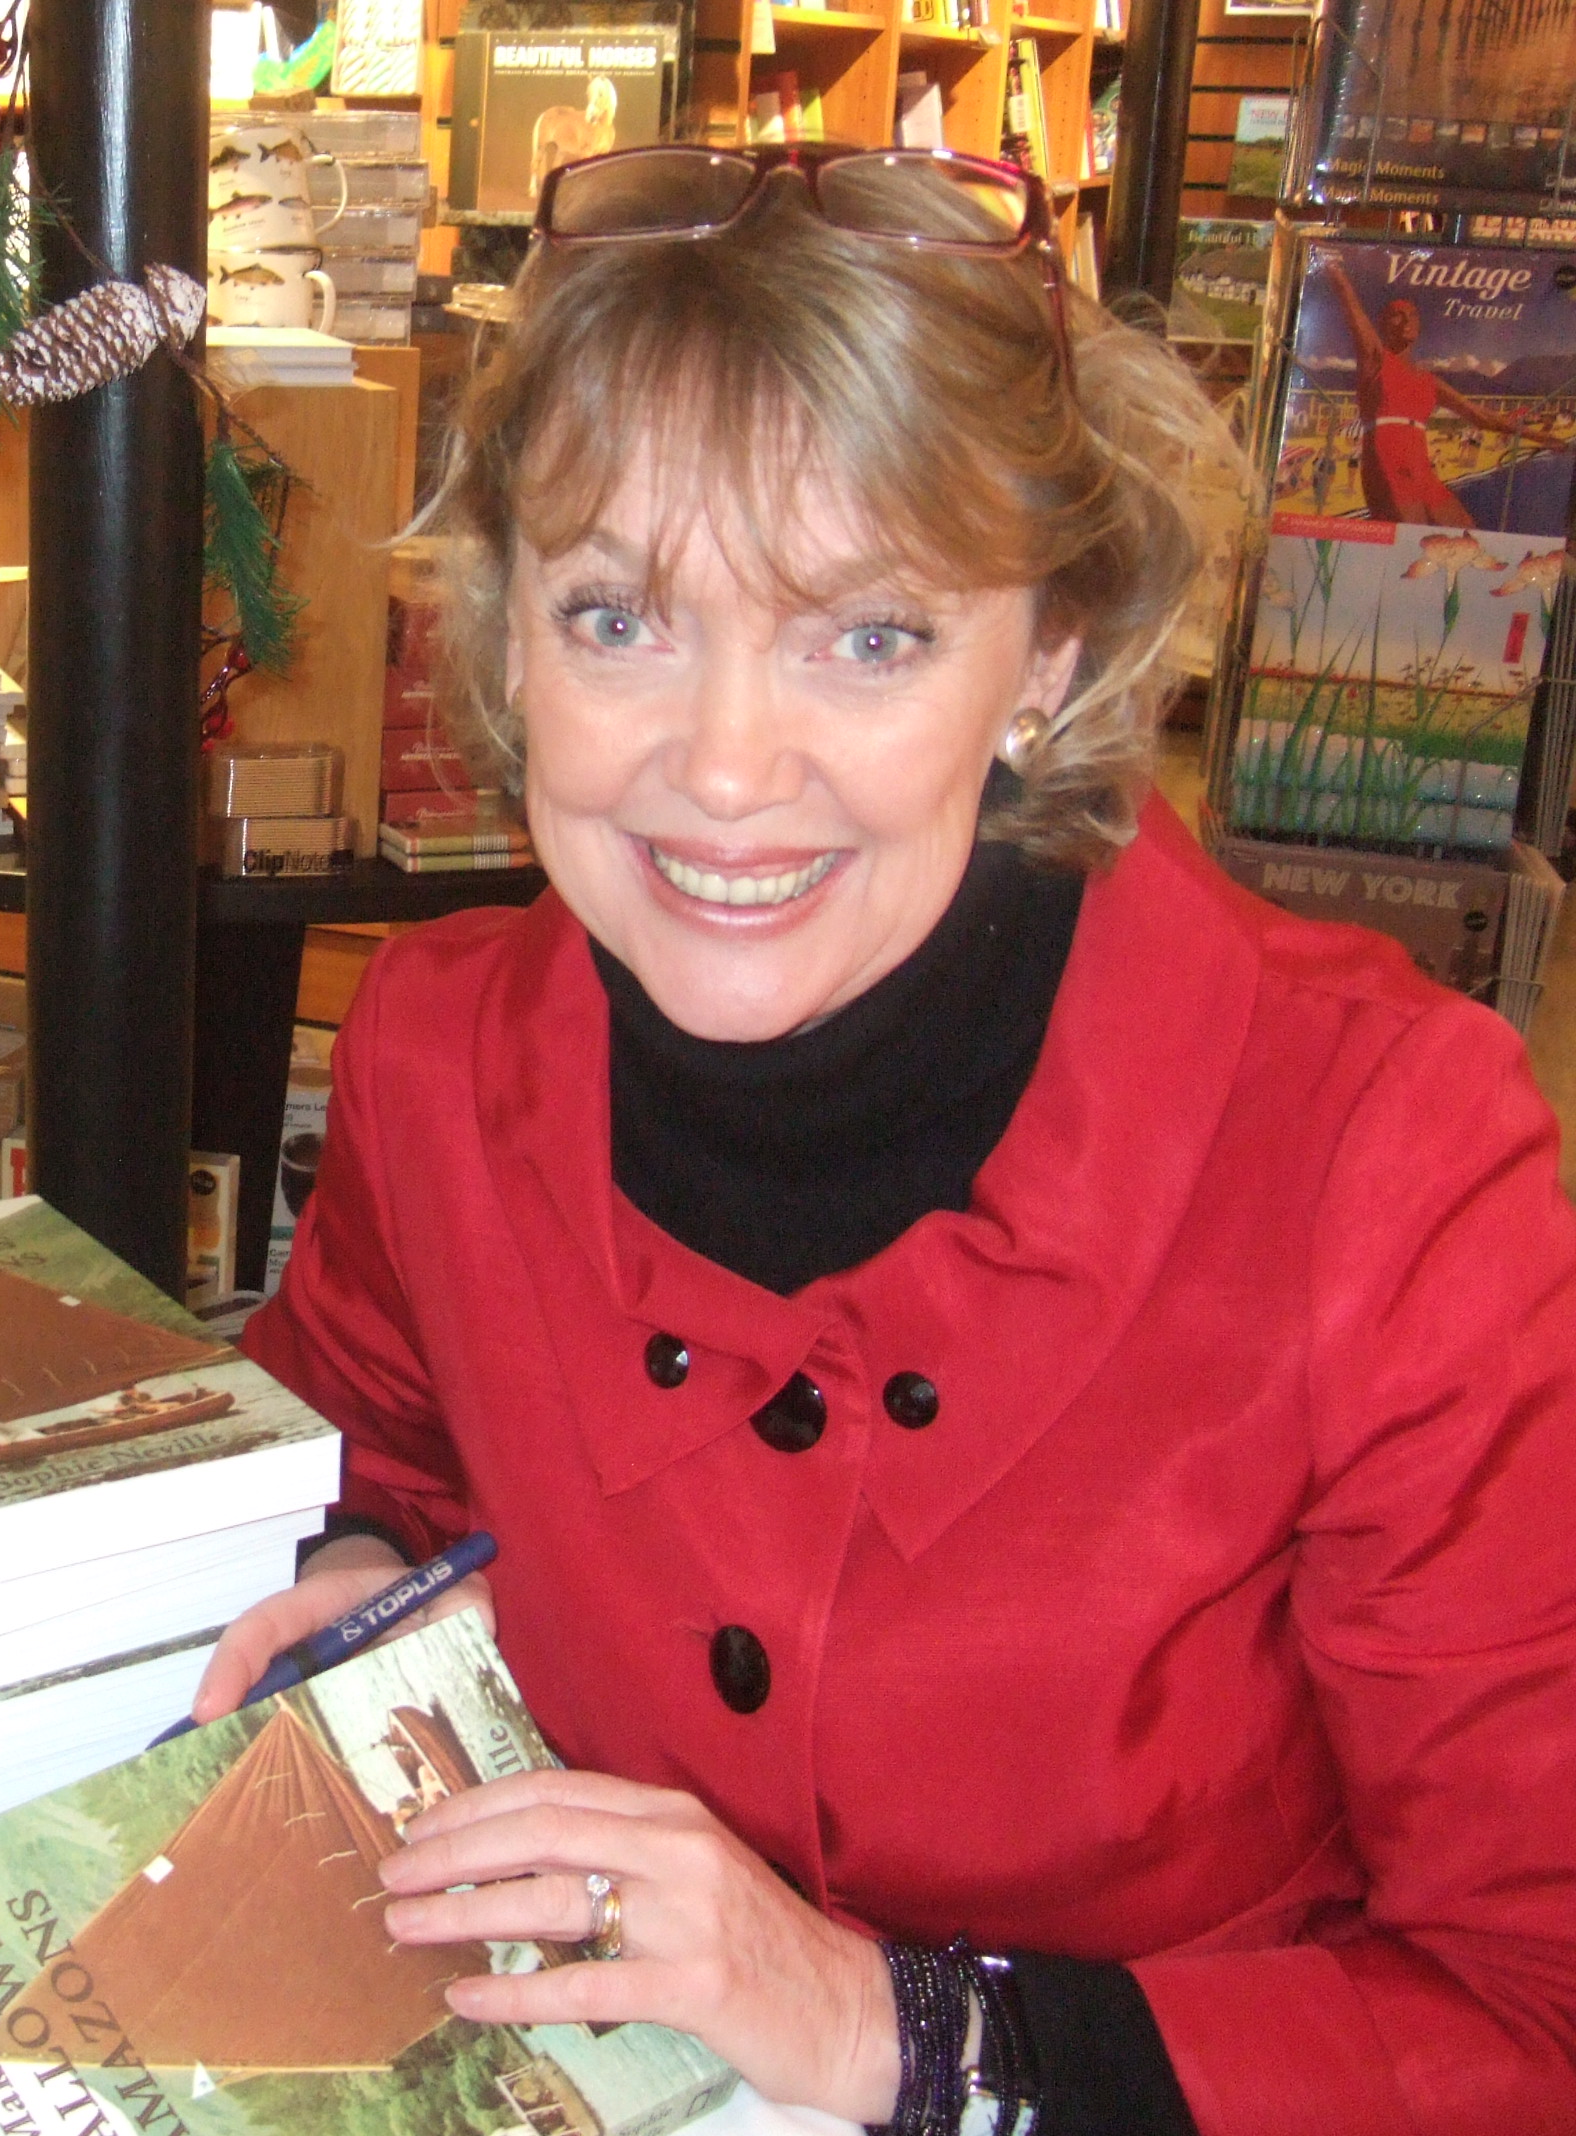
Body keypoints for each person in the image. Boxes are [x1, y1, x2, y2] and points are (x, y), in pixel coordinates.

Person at [197, 142, 1576, 2135]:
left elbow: (1528, 2010)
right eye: (618, 620)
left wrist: (890, 2027)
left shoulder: (1378, 1161)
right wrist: (353, 1580)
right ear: (504, 647)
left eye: (868, 636)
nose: (725, 767)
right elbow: (370, 1453)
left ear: (1054, 657)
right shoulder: (430, 1054)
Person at [1318, 252, 1566, 528]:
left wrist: (1541, 437)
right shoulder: (1376, 359)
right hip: (1388, 462)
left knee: (1466, 533)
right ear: (1383, 325)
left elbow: (1481, 416)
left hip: (1423, 469)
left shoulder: (1428, 380)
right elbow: (1351, 306)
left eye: (1411, 315)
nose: (1406, 320)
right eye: (1396, 315)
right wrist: (1330, 264)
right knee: (1409, 539)